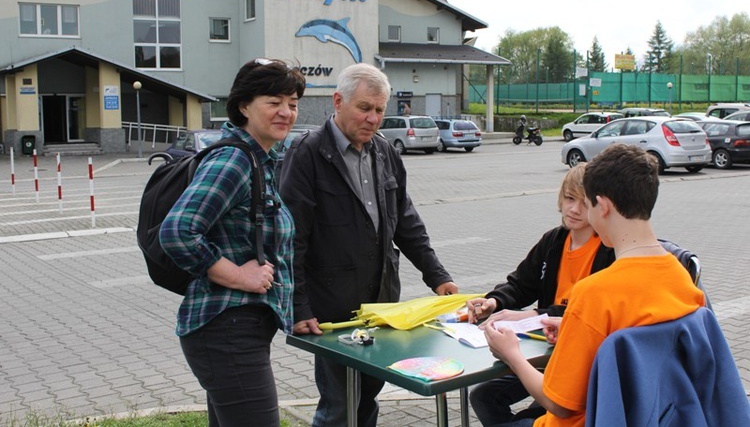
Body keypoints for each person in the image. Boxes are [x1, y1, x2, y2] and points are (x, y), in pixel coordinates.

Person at [279, 63, 458, 427]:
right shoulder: (307, 153)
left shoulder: (384, 152)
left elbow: (406, 221)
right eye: (365, 108)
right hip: (331, 308)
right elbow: (290, 239)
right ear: (338, 101)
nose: (373, 118)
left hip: (381, 303)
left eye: (380, 110)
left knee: (368, 397)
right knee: (339, 406)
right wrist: (298, 306)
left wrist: (437, 276)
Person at [484, 144, 705, 427]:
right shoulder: (682, 277)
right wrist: (575, 326)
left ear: (602, 206)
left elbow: (559, 405)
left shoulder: (593, 294)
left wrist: (511, 354)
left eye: (586, 204)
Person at [159, 59, 305, 427]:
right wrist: (240, 276)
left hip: (235, 331)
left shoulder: (261, 160)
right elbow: (177, 232)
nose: (286, 112)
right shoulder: (234, 160)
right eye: (274, 101)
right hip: (227, 330)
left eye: (292, 102)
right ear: (243, 106)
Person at [466, 163, 616, 425]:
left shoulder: (608, 249)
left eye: (584, 202)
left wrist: (535, 314)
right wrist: (494, 300)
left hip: (578, 360)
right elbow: (522, 283)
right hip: (544, 350)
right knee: (482, 395)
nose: (574, 209)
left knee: (531, 415)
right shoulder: (554, 240)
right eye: (569, 198)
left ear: (599, 207)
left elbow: (586, 310)